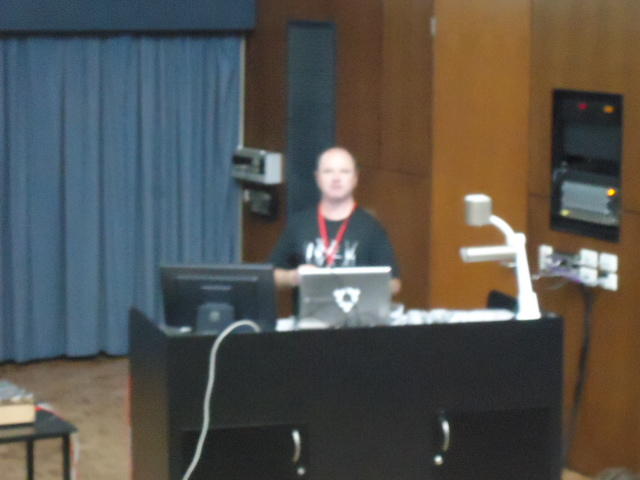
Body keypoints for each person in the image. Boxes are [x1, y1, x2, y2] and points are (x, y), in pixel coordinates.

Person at [270, 146, 401, 294]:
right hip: (309, 309)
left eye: (344, 171)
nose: (336, 178)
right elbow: (270, 276)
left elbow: (394, 283)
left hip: (355, 308)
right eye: (328, 171)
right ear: (318, 178)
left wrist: (358, 283)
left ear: (355, 178)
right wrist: (293, 277)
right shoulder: (299, 223)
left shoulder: (372, 228)